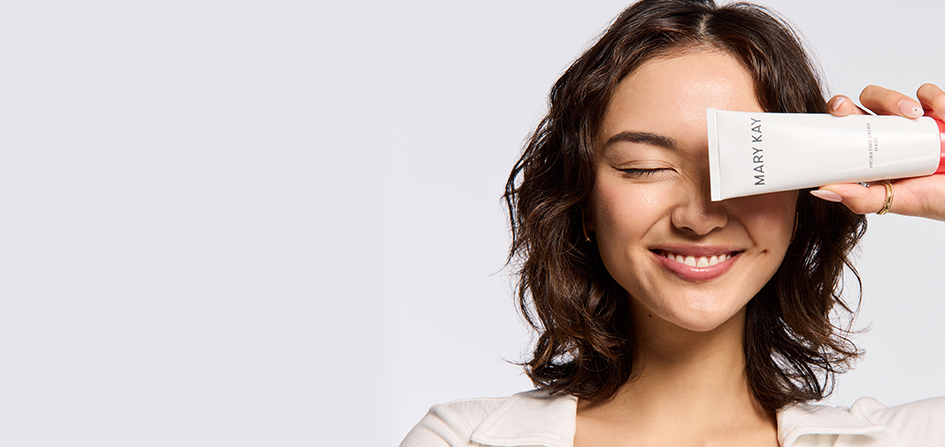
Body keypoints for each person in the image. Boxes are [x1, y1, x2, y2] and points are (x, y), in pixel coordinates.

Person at [401, 1, 945, 445]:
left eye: (749, 169)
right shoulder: (465, 440)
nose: (698, 216)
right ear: (584, 200)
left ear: (804, 197)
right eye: (645, 168)